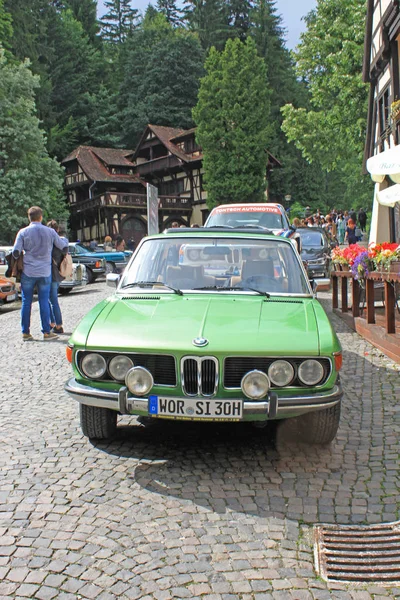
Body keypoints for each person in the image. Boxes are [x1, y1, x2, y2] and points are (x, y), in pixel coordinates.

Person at [12, 206, 68, 341]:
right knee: (44, 301)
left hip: (28, 272)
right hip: (44, 272)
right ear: (41, 217)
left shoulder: (23, 232)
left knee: (26, 302)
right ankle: (47, 332)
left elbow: (15, 252)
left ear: (29, 217)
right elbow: (63, 246)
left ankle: (25, 332)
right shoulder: (50, 232)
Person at [47, 220, 67, 334]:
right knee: (53, 299)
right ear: (57, 230)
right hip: (58, 273)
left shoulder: (49, 243)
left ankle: (56, 324)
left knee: (51, 300)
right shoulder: (62, 241)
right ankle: (56, 324)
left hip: (50, 272)